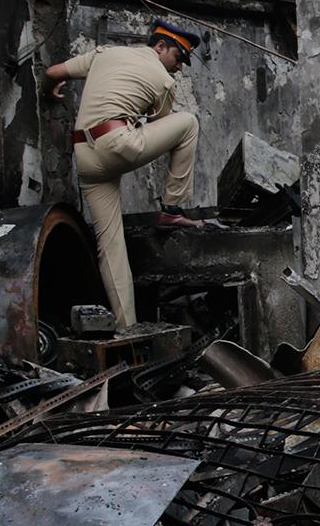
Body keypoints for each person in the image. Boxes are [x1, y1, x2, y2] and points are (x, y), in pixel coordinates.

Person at [45, 23, 203, 327]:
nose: (179, 67)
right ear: (159, 47)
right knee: (188, 123)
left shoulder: (104, 54)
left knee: (111, 246)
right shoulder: (162, 80)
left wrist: (49, 91)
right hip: (117, 145)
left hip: (85, 157)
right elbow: (163, 124)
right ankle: (171, 209)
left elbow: (53, 73)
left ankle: (126, 328)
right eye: (178, 57)